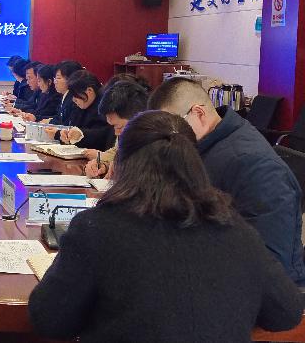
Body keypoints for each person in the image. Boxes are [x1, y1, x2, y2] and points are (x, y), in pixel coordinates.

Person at [29, 111, 304, 342]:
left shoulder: (96, 229)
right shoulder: (236, 229)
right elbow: (286, 313)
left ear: (122, 164)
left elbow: (49, 320)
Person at [148, 77, 305, 285]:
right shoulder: (204, 146)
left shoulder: (256, 167)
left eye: (171, 132)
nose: (168, 142)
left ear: (199, 113)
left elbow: (269, 265)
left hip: (255, 291)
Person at [83, 80, 148, 178]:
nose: (116, 133)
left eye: (119, 127)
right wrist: (102, 164)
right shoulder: (128, 130)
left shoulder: (158, 144)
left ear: (139, 118)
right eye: (113, 126)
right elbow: (117, 150)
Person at [53, 70, 114, 151]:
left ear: (89, 91)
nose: (74, 100)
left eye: (76, 95)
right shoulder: (81, 105)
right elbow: (73, 126)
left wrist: (80, 135)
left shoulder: (104, 106)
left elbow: (103, 136)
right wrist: (65, 134)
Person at [42, 60, 83, 126]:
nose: (55, 82)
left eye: (58, 78)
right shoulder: (65, 95)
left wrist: (50, 121)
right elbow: (59, 117)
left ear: (71, 79)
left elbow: (68, 123)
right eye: (54, 78)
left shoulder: (75, 98)